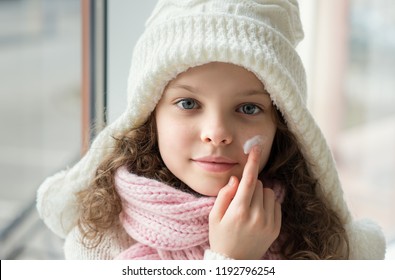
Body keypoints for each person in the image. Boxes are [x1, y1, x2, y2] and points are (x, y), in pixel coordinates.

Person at [37, 0, 386, 260]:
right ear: (148, 114)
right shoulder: (98, 237)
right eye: (188, 104)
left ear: (284, 123)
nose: (217, 133)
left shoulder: (313, 240)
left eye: (249, 108)